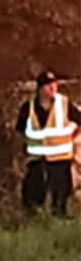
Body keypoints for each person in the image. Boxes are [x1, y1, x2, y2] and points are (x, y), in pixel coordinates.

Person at [15, 70, 81, 217]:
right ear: (39, 89)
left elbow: (79, 122)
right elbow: (20, 131)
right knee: (33, 196)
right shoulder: (28, 108)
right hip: (37, 160)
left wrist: (69, 137)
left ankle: (58, 222)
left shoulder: (63, 104)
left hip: (60, 159)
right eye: (48, 85)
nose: (52, 88)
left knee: (60, 196)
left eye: (54, 84)